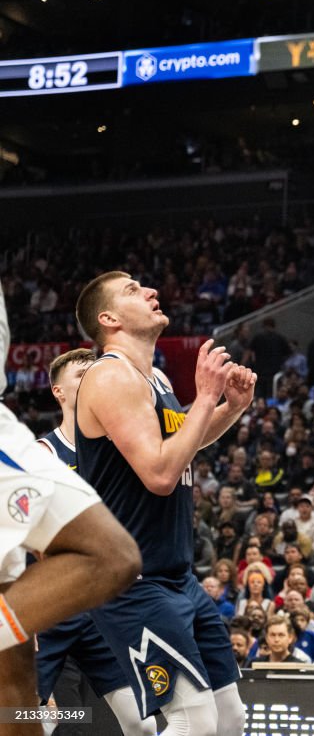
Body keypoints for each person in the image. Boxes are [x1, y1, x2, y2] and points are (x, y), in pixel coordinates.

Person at [75, 272, 256, 735]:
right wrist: (207, 396)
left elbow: (179, 448)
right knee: (192, 720)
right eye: (133, 291)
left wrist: (228, 408)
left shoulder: (152, 376)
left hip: (175, 575)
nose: (152, 291)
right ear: (109, 318)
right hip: (132, 581)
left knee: (231, 717)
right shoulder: (110, 375)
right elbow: (159, 474)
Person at [0, 282, 142, 724]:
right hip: (60, 607)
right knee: (112, 555)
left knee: (18, 693)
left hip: (88, 606)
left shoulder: (114, 440)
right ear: (58, 393)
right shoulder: (46, 448)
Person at [33, 348, 157, 736]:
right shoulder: (42, 454)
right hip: (51, 606)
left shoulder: (120, 452)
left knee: (143, 724)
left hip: (104, 608)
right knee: (22, 716)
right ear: (58, 392)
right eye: (80, 375)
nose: (91, 380)